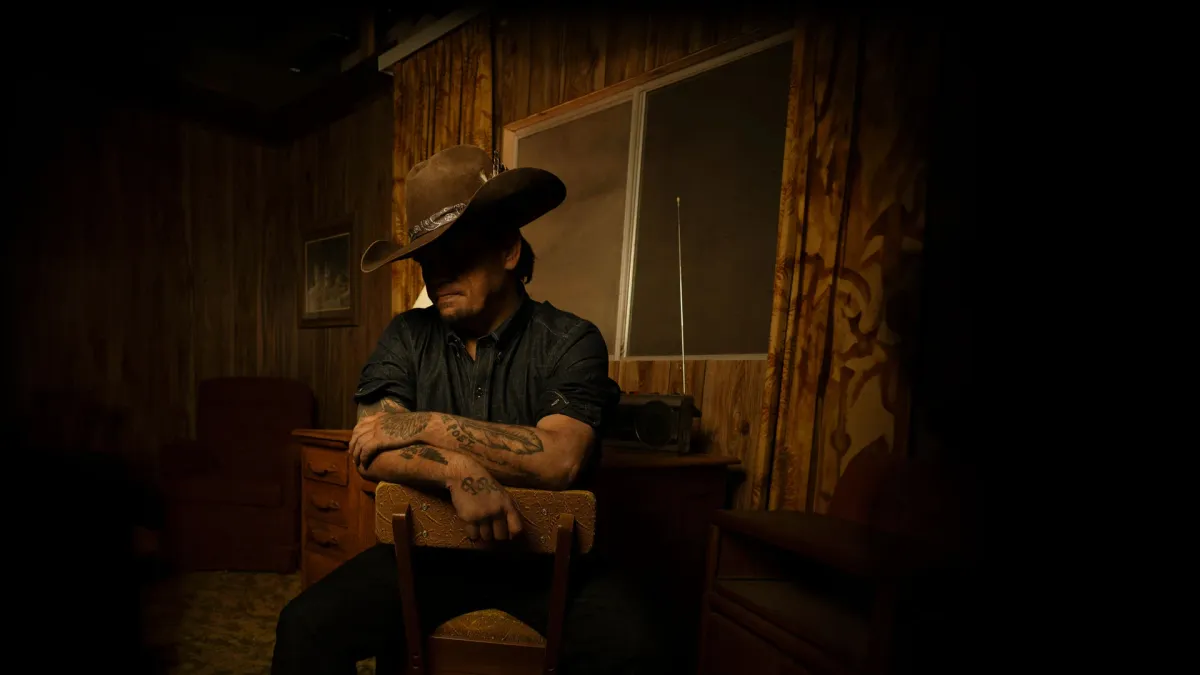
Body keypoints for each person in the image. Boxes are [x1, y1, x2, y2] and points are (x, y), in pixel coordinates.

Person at [272, 145, 658, 675]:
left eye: (455, 252)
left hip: (547, 565)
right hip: (428, 558)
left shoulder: (571, 340)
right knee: (303, 627)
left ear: (508, 250)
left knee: (638, 648)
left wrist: (427, 424)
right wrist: (457, 469)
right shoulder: (407, 335)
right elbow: (371, 447)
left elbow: (560, 459)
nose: (437, 275)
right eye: (427, 260)